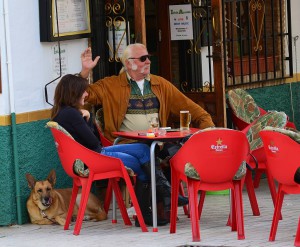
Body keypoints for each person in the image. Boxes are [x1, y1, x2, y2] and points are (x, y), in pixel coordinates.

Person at [78, 43, 215, 220]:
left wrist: (208, 131)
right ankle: (160, 205)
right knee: (150, 156)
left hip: (158, 142)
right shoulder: (110, 85)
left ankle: (162, 205)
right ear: (128, 63)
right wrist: (85, 71)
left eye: (148, 57)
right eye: (143, 58)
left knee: (175, 153)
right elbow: (83, 94)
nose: (148, 61)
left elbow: (194, 110)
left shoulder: (160, 84)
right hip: (127, 145)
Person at [51, 74, 168, 227]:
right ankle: (147, 212)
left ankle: (165, 193)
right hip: (95, 158)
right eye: (84, 91)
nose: (86, 95)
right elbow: (94, 142)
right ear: (74, 92)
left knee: (143, 149)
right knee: (141, 163)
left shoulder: (61, 113)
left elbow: (93, 143)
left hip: (92, 155)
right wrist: (88, 118)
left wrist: (86, 117)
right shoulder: (72, 114)